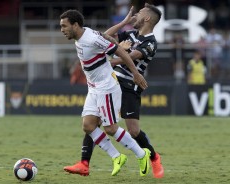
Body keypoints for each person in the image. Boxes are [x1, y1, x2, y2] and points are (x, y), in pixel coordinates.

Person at [64, 4, 164, 178]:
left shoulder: (151, 42)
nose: (135, 16)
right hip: (111, 80)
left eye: (139, 13)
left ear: (147, 18)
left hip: (130, 85)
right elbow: (106, 37)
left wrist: (105, 62)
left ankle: (153, 157)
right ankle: (84, 162)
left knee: (133, 131)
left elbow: (130, 57)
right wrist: (123, 23)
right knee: (92, 123)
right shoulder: (130, 34)